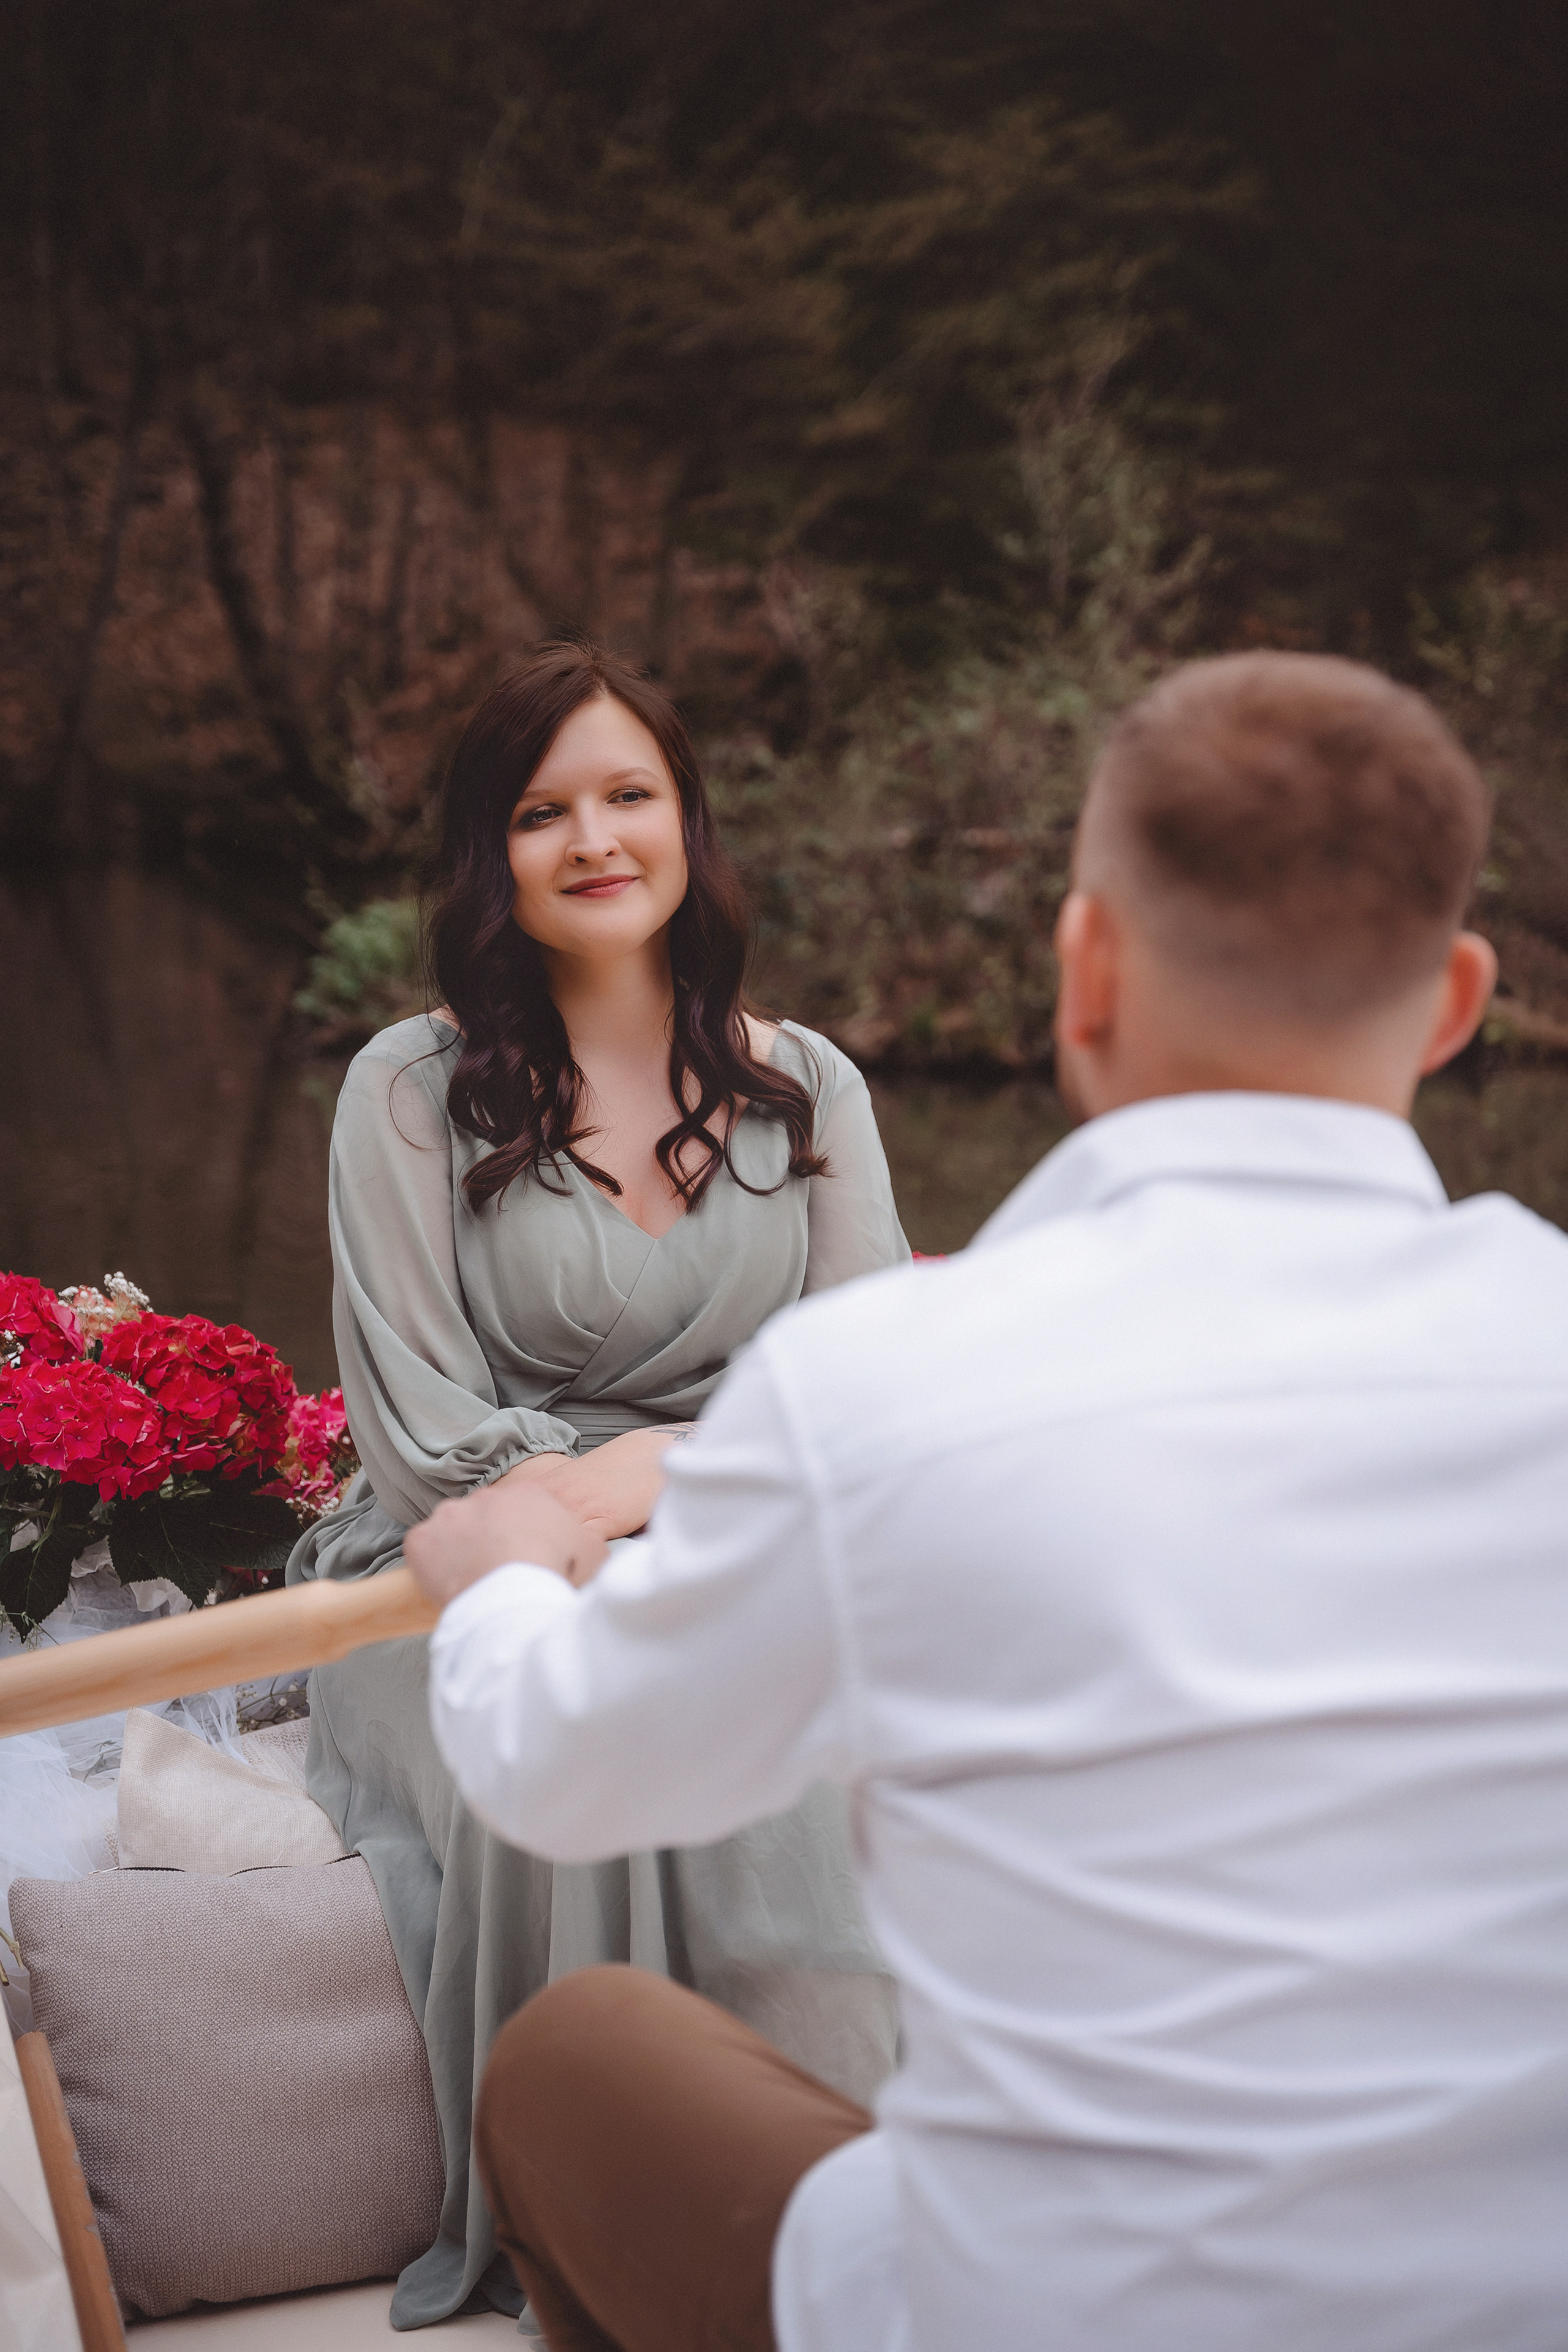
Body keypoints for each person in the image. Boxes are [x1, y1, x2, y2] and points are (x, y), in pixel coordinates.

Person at [408, 650, 1568, 2352]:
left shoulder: (882, 1389)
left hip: (1053, 2311)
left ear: (1082, 974)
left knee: (583, 2054)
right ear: (1459, 1001)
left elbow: (561, 1770)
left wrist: (509, 1567)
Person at [285, 641, 908, 2328]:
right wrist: (614, 1492)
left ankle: (864, 2211)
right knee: (609, 1680)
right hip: (457, 1552)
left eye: (629, 795)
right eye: (542, 811)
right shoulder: (409, 1088)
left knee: (843, 1695)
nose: (595, 839)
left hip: (731, 1531)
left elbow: (869, 1407)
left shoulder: (808, 1087)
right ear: (490, 855)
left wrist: (663, 1479)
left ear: (687, 821)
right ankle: (639, 2228)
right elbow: (422, 1433)